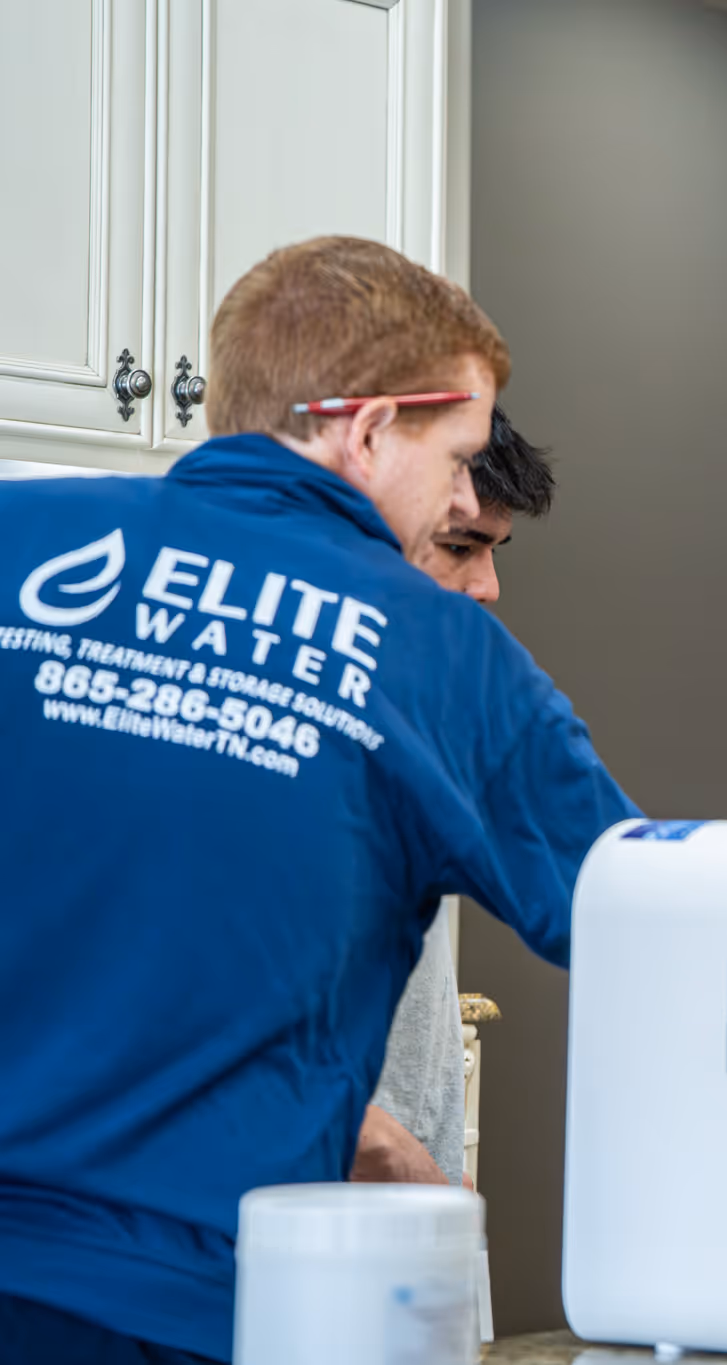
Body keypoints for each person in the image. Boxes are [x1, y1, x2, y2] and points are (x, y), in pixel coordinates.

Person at [0, 236, 639, 1363]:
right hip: (194, 1312)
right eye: (458, 457)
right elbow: (654, 915)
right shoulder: (443, 655)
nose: (461, 496)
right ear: (370, 427)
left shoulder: (20, 542)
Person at [353, 407, 559, 1189]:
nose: (489, 586)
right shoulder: (265, 728)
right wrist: (395, 1159)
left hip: (407, 1211)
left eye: (495, 551)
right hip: (316, 1224)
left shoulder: (423, 708)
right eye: (459, 546)